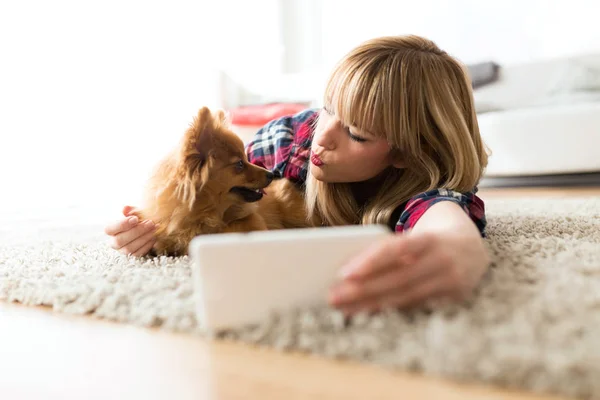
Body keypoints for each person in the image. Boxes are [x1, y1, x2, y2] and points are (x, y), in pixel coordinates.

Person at [105, 35, 491, 316]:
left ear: (405, 155)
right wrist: (140, 229)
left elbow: (444, 219)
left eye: (356, 133)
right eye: (328, 108)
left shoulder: (423, 178)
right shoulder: (289, 143)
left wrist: (458, 249)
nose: (324, 138)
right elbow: (192, 190)